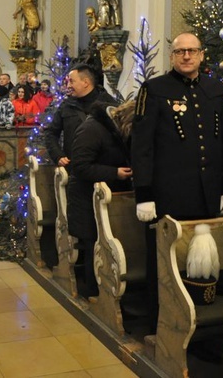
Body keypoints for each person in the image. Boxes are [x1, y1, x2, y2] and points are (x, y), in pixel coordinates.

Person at [132, 32, 223, 331]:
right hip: (168, 195)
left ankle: (197, 324)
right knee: (163, 264)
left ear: (202, 55)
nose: (186, 56)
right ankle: (159, 325)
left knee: (202, 260)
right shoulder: (154, 89)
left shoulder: (215, 88)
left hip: (207, 195)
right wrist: (144, 194)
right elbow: (142, 146)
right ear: (172, 56)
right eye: (180, 52)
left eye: (192, 51)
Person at [68, 100, 134, 298]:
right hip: (87, 199)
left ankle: (108, 292)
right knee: (94, 246)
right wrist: (115, 173)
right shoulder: (92, 130)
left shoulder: (110, 129)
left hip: (107, 198)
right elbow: (80, 166)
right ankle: (94, 294)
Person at [44, 64, 115, 168]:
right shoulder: (66, 105)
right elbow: (51, 133)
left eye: (71, 81)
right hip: (74, 169)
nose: (68, 86)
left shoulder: (108, 105)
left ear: (85, 82)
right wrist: (58, 155)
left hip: (103, 169)